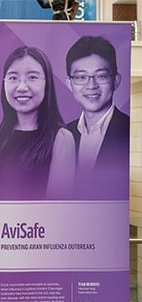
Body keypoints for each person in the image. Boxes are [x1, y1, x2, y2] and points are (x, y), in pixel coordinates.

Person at [0, 45, 74, 200]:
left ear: (46, 83)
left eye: (32, 77)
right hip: (5, 223)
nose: (22, 87)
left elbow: (58, 204)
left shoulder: (61, 138)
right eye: (13, 78)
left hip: (43, 223)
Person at [64, 35, 129, 199]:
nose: (91, 85)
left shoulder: (131, 131)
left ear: (115, 80)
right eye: (81, 77)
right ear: (70, 84)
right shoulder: (63, 135)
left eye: (101, 76)